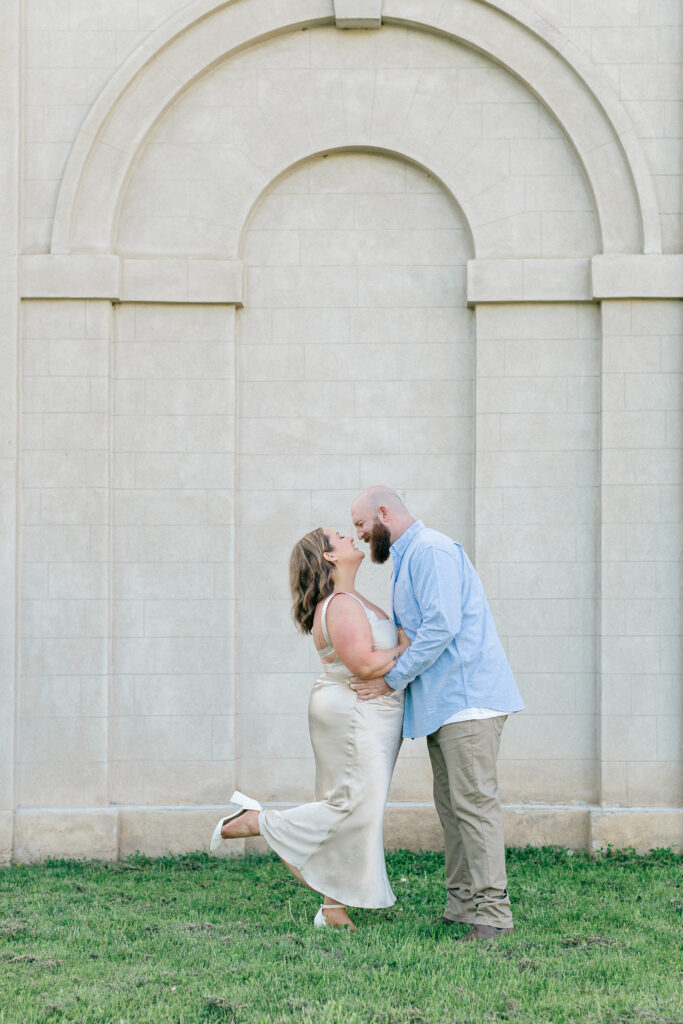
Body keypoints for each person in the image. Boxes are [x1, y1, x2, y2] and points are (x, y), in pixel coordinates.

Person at [210, 526, 410, 931]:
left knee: (350, 804)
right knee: (352, 806)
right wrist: (409, 647)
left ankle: (333, 909)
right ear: (330, 557)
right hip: (357, 714)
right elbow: (366, 665)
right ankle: (258, 821)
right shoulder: (340, 605)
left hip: (364, 712)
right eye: (339, 536)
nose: (349, 536)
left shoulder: (346, 600)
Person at [349, 486, 524, 942]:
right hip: (443, 706)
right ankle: (463, 905)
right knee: (453, 809)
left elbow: (441, 627)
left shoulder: (431, 551)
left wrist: (391, 679)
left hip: (467, 701)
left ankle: (493, 916)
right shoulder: (408, 557)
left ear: (384, 512)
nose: (361, 535)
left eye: (362, 524)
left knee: (474, 807)